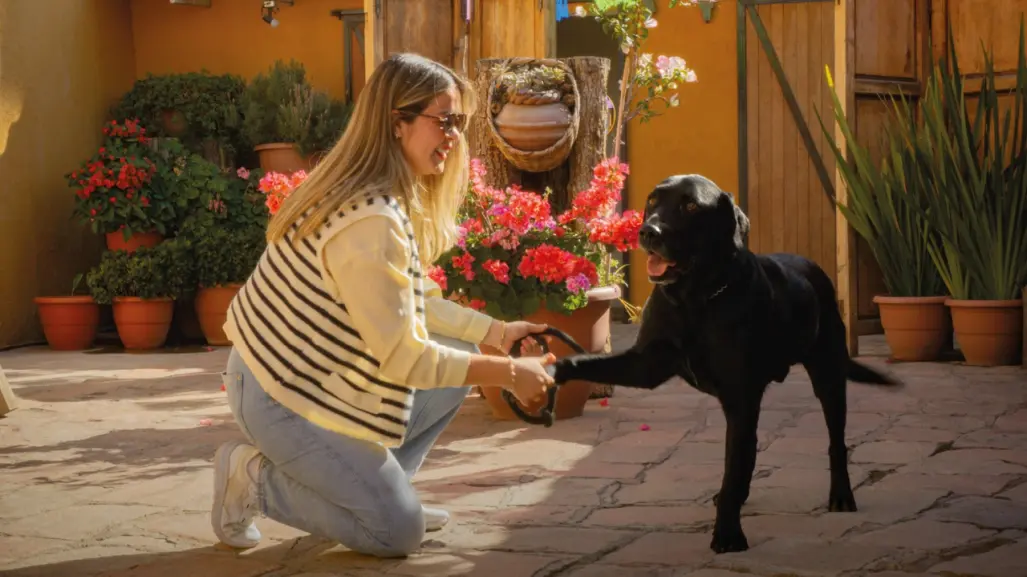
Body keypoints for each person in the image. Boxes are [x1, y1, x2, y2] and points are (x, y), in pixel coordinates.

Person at [210, 53, 557, 558]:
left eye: (459, 122)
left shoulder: (382, 195)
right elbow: (405, 358)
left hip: (315, 380)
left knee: (460, 348)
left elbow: (417, 302)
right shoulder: (370, 218)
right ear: (398, 124)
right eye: (444, 121)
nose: (455, 136)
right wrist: (507, 373)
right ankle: (253, 479)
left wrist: (497, 334)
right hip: (279, 395)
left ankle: (377, 496)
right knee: (395, 533)